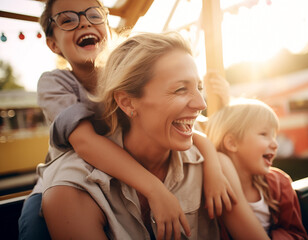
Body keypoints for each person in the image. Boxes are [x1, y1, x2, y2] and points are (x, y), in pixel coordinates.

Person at [18, 0, 236, 239]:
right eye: (67, 20)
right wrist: (155, 189)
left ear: (107, 29)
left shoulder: (127, 78)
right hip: (67, 177)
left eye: (94, 15)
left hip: (119, 169)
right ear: (53, 44)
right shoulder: (55, 84)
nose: (84, 22)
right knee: (36, 225)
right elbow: (86, 143)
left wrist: (214, 166)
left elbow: (190, 129)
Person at [38, 31, 270, 239]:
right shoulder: (72, 192)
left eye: (198, 87)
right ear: (127, 102)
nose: (201, 104)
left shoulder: (214, 167)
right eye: (180, 89)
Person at [205, 98, 308, 240]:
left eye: (274, 136)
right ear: (232, 143)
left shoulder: (280, 184)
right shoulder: (213, 190)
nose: (275, 144)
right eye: (264, 134)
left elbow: (297, 233)